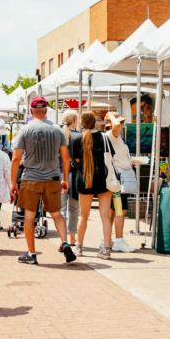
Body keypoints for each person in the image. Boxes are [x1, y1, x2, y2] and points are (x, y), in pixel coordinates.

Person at [10, 97, 73, 265]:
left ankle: (31, 254)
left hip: (31, 178)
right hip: (52, 178)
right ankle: (65, 242)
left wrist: (12, 182)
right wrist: (65, 178)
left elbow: (16, 158)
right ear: (46, 110)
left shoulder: (25, 130)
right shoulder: (57, 130)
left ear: (31, 112)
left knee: (29, 217)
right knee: (57, 214)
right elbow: (65, 157)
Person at [71, 112, 116, 259]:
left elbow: (76, 159)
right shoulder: (104, 138)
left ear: (81, 123)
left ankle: (79, 248)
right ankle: (106, 250)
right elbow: (111, 156)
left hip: (85, 178)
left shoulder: (78, 138)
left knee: (83, 215)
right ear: (95, 122)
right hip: (104, 179)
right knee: (106, 216)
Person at [105, 112, 137, 253]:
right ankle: (118, 240)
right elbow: (116, 125)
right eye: (120, 123)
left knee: (115, 210)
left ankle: (109, 239)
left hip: (121, 176)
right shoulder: (112, 136)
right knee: (120, 210)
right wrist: (111, 116)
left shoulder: (115, 138)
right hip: (118, 178)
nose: (122, 125)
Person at [58, 110, 82, 250]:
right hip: (75, 175)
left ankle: (63, 239)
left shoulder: (59, 135)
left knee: (61, 209)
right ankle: (72, 238)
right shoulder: (79, 135)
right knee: (74, 209)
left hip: (60, 175)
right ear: (74, 120)